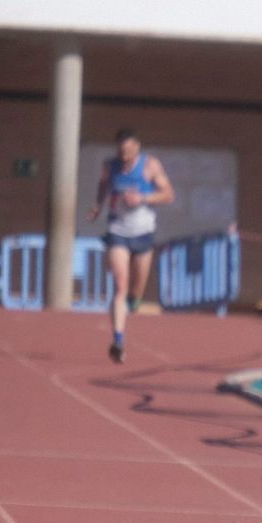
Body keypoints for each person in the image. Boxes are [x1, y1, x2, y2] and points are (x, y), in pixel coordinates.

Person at [87, 129, 174, 362]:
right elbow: (103, 185)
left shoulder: (150, 166)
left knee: (135, 292)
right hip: (118, 232)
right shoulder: (110, 166)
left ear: (137, 147)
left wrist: (143, 198)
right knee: (120, 285)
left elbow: (168, 194)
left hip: (143, 232)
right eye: (121, 151)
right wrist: (98, 205)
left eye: (129, 151)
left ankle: (132, 303)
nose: (125, 156)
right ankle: (118, 339)